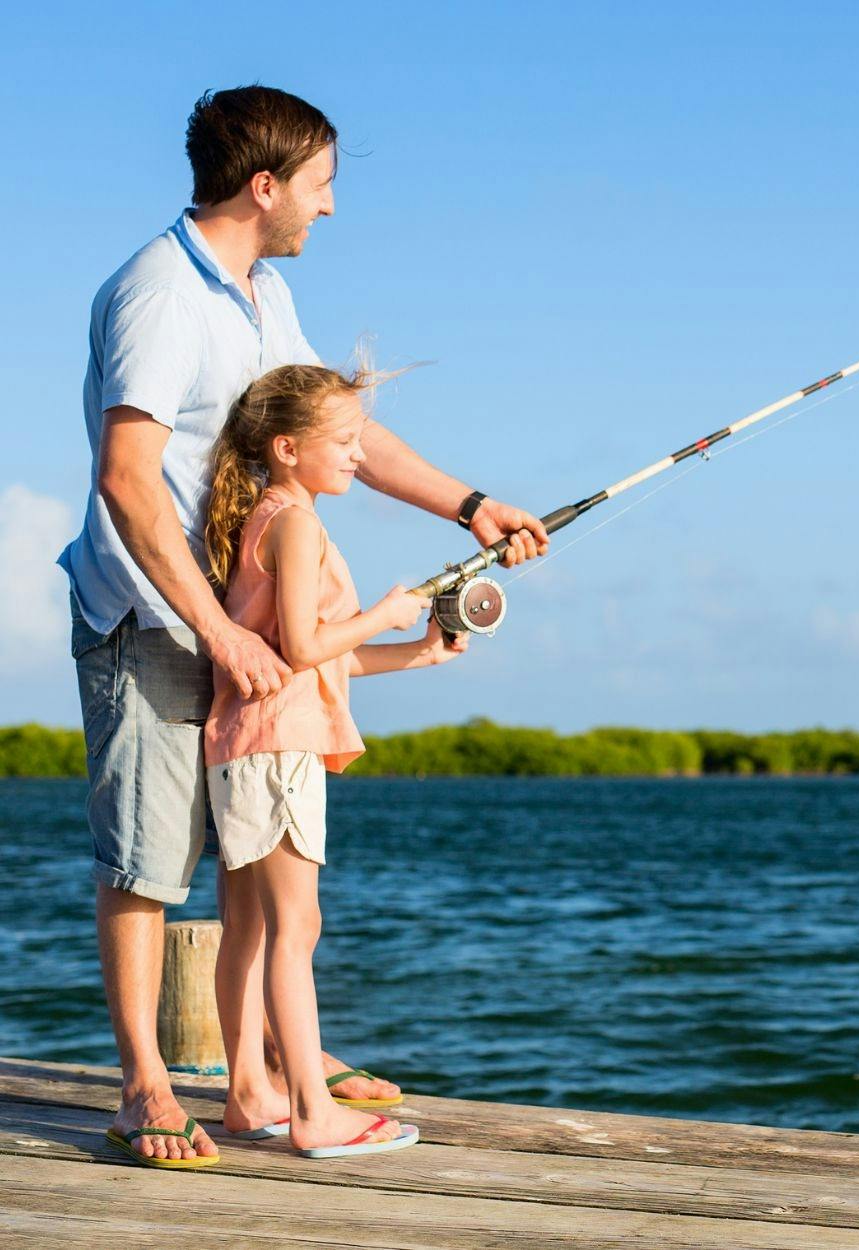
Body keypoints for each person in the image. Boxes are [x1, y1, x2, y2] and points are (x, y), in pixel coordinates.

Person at [59, 85, 549, 1167]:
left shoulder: (262, 296)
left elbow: (341, 434)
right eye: (322, 186)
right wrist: (223, 634)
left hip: (240, 624)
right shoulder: (157, 294)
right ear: (265, 183)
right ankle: (145, 1083)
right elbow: (128, 482)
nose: (329, 210)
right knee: (146, 861)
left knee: (245, 868)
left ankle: (261, 1073)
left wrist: (471, 505)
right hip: (149, 615)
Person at [195, 362, 454, 1159]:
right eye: (343, 441)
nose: (356, 454)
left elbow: (300, 653)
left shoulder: (268, 516)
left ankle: (249, 1096)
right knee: (295, 928)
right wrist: (383, 611)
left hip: (247, 741)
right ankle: (312, 1109)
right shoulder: (296, 523)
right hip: (278, 748)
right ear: (286, 447)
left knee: (246, 925)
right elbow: (309, 645)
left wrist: (415, 650)